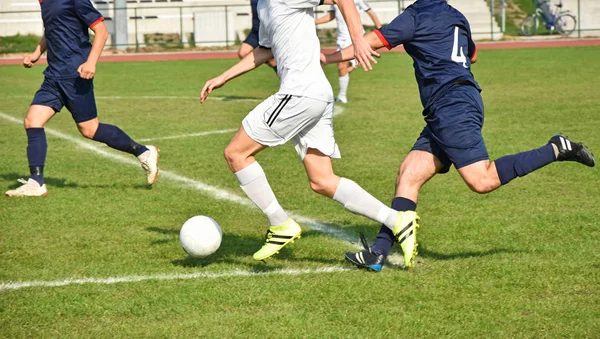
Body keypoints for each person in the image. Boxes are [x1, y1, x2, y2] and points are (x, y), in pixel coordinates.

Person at [322, 0, 595, 271]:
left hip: (452, 106)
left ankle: (557, 149)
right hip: (455, 102)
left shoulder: (416, 16)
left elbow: (371, 40)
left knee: (482, 180)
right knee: (408, 175)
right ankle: (379, 253)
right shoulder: (455, 15)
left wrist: (324, 58)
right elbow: (472, 55)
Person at [200, 0, 419, 267]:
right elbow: (264, 51)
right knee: (322, 181)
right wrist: (223, 77)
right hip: (316, 93)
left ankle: (280, 224)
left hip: (300, 92)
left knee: (236, 153)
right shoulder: (264, 5)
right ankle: (396, 219)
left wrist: (358, 40)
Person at [5, 0, 159, 197]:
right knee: (32, 121)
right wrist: (37, 52)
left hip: (76, 75)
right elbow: (52, 28)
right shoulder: (44, 2)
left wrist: (91, 62)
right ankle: (36, 183)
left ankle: (144, 152)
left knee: (89, 129)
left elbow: (102, 31)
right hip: (53, 75)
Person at [315, 0, 381, 104]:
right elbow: (331, 16)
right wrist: (313, 22)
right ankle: (341, 94)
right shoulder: (333, 1)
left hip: (353, 38)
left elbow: (371, 12)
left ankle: (342, 96)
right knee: (341, 68)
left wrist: (380, 30)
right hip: (341, 39)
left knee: (341, 66)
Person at [238, 0, 277, 72]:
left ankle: (283, 75)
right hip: (256, 31)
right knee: (243, 52)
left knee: (274, 61)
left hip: (267, 31)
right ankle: (271, 61)